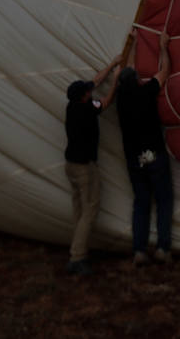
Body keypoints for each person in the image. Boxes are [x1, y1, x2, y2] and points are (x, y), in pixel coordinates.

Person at [112, 32, 174, 266]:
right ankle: (162, 248)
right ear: (137, 80)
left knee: (141, 202)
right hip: (155, 156)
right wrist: (163, 48)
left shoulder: (120, 101)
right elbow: (165, 71)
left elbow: (128, 72)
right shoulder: (146, 92)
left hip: (134, 160)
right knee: (164, 200)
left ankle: (139, 250)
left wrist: (134, 44)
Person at [62, 56, 121, 275]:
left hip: (70, 165)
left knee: (79, 209)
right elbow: (106, 101)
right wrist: (116, 80)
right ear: (84, 98)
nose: (90, 91)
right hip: (84, 167)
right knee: (90, 209)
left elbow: (94, 82)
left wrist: (112, 64)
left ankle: (78, 249)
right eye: (87, 92)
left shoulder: (72, 106)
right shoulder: (87, 110)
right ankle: (77, 258)